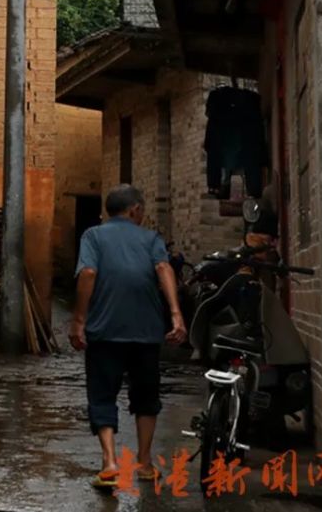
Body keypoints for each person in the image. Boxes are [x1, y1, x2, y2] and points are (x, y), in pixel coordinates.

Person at [70, 184, 187, 488]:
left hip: (104, 331)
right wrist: (176, 315)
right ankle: (145, 464)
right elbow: (163, 268)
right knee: (146, 397)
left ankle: (109, 464)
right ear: (135, 210)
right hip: (146, 333)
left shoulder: (93, 236)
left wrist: (79, 321)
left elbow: (88, 274)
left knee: (102, 394)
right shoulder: (151, 239)